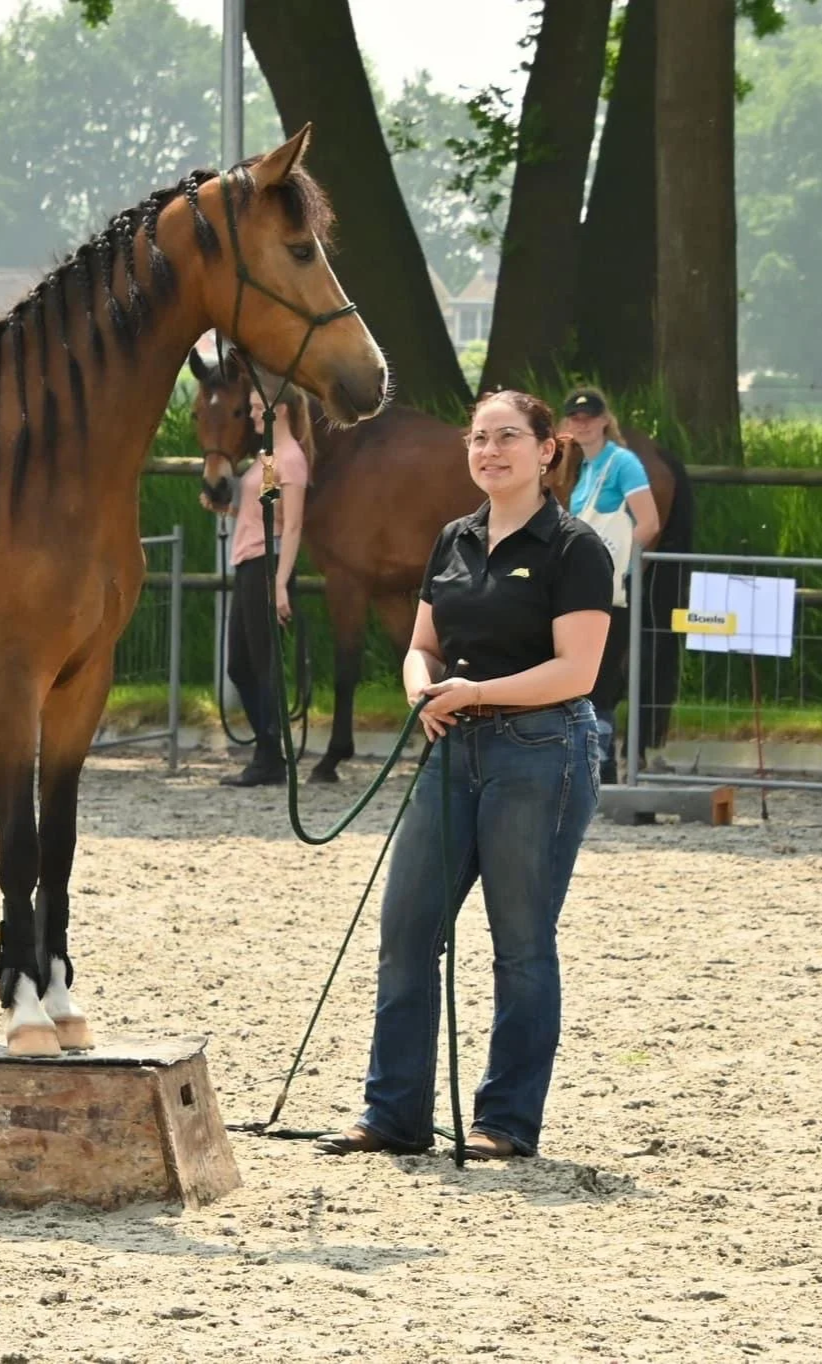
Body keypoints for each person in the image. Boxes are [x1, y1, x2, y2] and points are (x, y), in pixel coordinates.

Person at [315, 391, 612, 1161]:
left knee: (520, 943)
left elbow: (575, 671)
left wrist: (474, 693)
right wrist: (420, 685)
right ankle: (395, 1114)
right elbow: (424, 643)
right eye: (479, 439)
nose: (490, 451)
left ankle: (506, 1122)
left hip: (541, 750)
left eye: (508, 437)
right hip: (454, 750)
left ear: (547, 450)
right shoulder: (453, 538)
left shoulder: (574, 547)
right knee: (406, 931)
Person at [210, 383, 312, 787]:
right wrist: (229, 507)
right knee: (241, 664)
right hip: (249, 562)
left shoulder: (291, 460)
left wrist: (281, 582)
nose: (252, 415)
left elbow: (293, 526)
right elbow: (267, 511)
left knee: (262, 663)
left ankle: (269, 755)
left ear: (280, 411)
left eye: (256, 408)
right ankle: (269, 750)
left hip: (266, 566)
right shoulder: (269, 457)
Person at [562, 387, 660, 784]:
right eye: (575, 417)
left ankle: (602, 762)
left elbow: (648, 521)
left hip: (613, 587)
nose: (582, 423)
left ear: (605, 420)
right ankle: (589, 756)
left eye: (590, 416)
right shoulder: (582, 471)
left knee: (601, 675)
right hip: (585, 587)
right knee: (583, 671)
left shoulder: (623, 463)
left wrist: (619, 563)